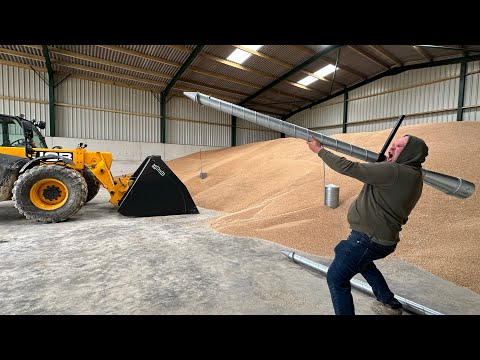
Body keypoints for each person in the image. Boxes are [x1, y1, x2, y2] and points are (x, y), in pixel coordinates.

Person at [307, 134, 428, 315]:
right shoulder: (413, 175)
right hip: (380, 239)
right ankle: (390, 304)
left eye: (399, 146)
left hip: (367, 240)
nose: (392, 148)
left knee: (336, 278)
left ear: (410, 152)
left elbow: (348, 167)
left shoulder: (393, 171)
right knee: (364, 264)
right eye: (393, 145)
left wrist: (319, 150)